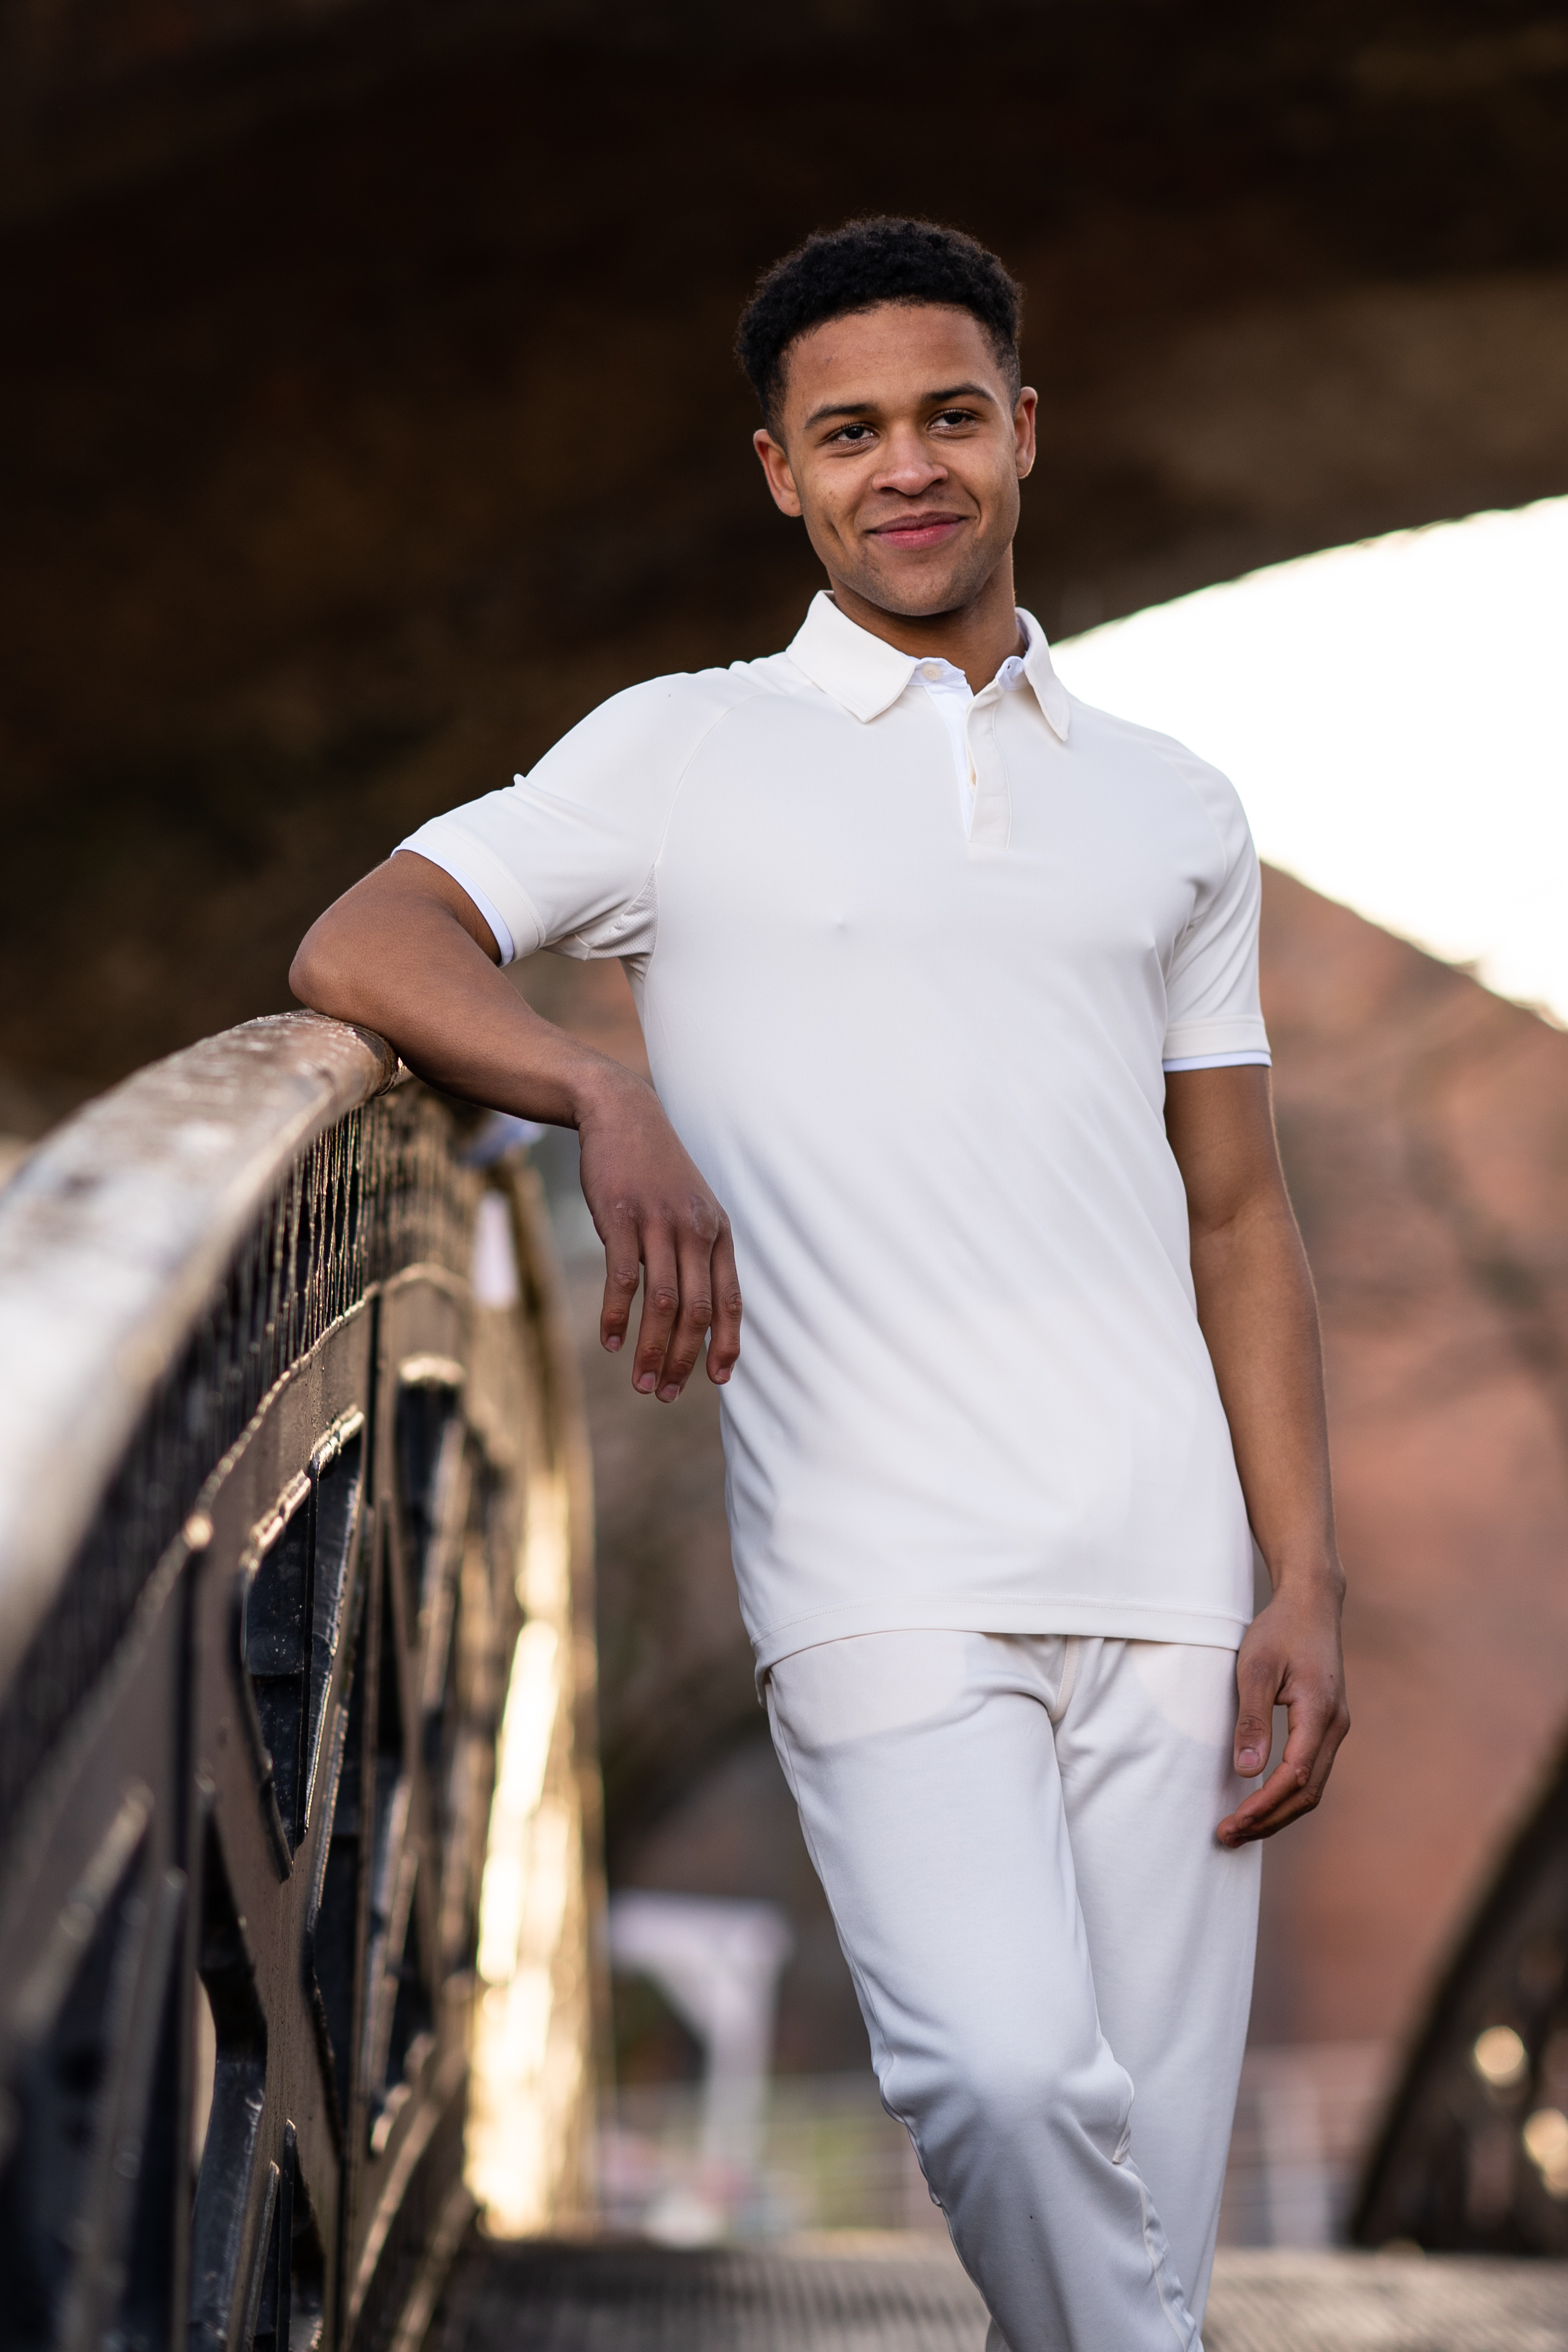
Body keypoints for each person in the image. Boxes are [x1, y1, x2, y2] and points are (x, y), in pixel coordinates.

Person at [291, 216, 1348, 2351]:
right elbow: (364, 942)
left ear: (1025, 431)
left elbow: (1237, 1211)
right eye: (849, 433)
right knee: (1000, 2082)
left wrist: (1304, 1574)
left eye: (950, 416)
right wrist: (595, 1087)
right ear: (781, 474)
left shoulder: (1173, 807)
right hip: (876, 1560)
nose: (908, 467)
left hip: (1165, 1565)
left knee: (1135, 2209)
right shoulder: (677, 751)